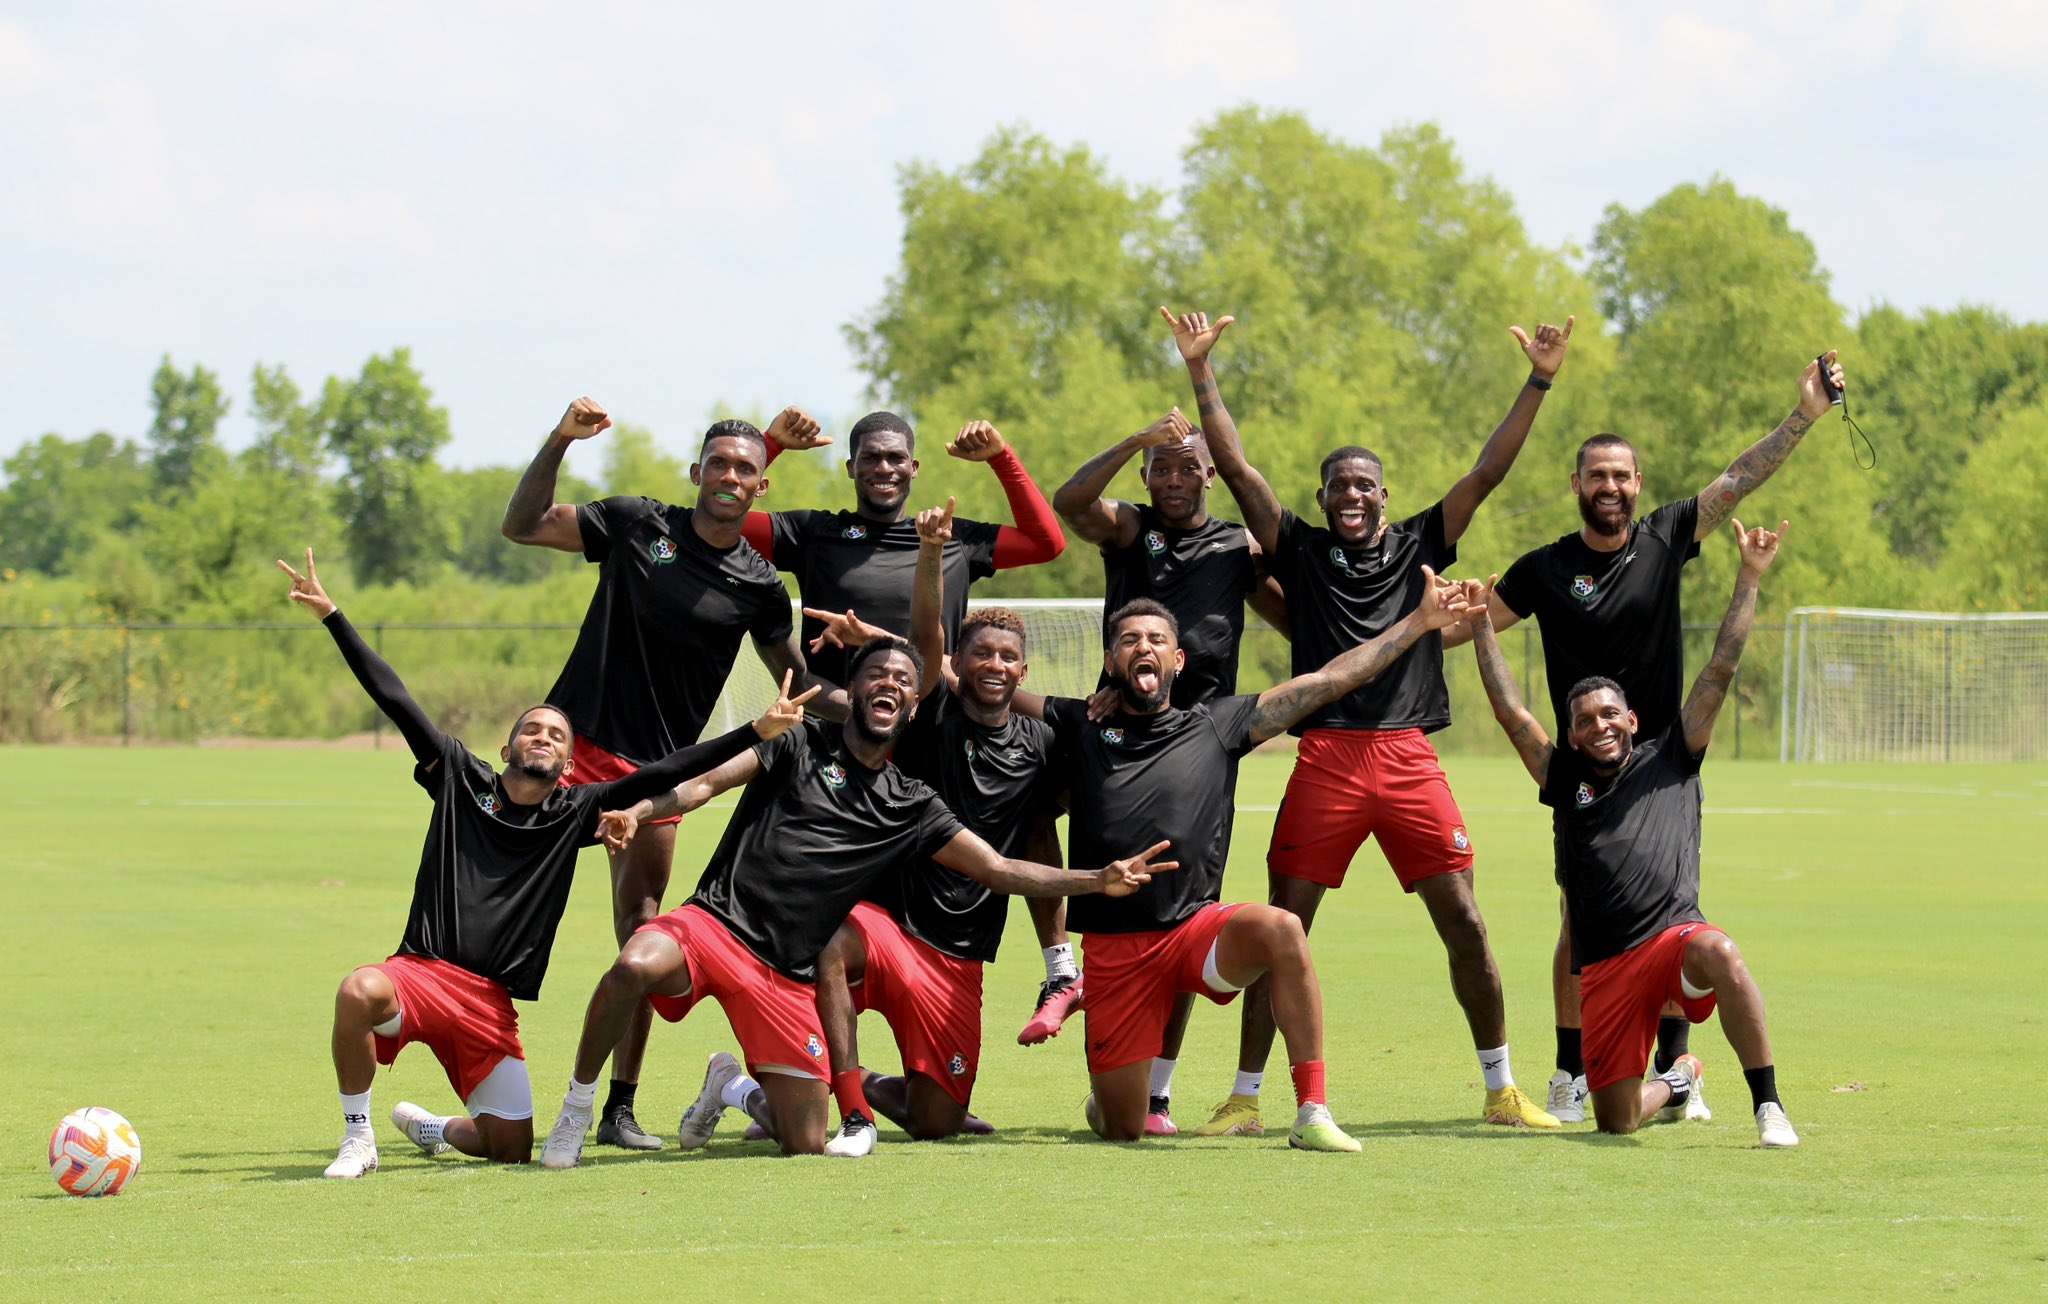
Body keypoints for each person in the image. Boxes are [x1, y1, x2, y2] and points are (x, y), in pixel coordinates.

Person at [1165, 305, 1572, 1137]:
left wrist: (1538, 379)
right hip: (1326, 762)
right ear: (1322, 498)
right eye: (1337, 486)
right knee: (1282, 927)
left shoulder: (1426, 540)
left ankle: (1501, 1088)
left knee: (1464, 919)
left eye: (1363, 486)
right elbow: (1238, 471)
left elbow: (1486, 473)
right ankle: (1245, 1097)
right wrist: (1201, 371)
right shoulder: (1302, 551)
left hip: (1409, 758)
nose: (1350, 496)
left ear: (1383, 496)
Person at [535, 636, 1175, 1165]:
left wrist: (1097, 879)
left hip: (784, 974)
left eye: (903, 679)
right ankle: (577, 1109)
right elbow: (702, 787)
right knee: (633, 965)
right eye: (877, 675)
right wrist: (641, 809)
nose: (890, 685)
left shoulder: (913, 804)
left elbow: (1001, 868)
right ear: (855, 690)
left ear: (914, 706)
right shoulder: (798, 744)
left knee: (806, 1141)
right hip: (715, 923)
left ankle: (731, 1084)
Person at [277, 548, 813, 1178]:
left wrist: (757, 730)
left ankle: (434, 1127)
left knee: (509, 1147)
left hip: (489, 1003)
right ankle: (357, 1137)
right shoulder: (457, 776)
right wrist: (334, 616)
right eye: (532, 729)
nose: (544, 737)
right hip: (420, 974)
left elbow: (666, 770)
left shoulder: (573, 812)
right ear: (507, 746)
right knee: (358, 988)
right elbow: (395, 697)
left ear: (567, 767)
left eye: (557, 737)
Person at [1481, 351, 1847, 1123]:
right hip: (1582, 775)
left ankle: (1675, 1067)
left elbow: (1736, 481)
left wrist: (1805, 416)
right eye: (1595, 476)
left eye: (1621, 475)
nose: (1609, 487)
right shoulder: (1545, 569)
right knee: (1578, 918)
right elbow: (1470, 626)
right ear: (1576, 486)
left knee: (1671, 910)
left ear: (1637, 485)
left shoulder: (1665, 536)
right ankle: (1570, 1073)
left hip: (1667, 762)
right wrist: (1419, 613)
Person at [1028, 573, 1474, 1151]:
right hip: (1116, 952)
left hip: (1194, 931)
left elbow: (1329, 679)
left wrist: (1418, 622)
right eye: (1130, 640)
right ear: (1111, 661)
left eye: (1157, 639)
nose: (1144, 647)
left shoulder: (1217, 724)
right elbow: (982, 685)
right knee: (1123, 1127)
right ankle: (1109, 1089)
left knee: (1282, 928)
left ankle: (1312, 1109)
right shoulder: (1079, 724)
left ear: (1178, 659)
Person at [500, 398, 842, 1150]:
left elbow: (799, 685)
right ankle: (484, 1073)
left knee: (641, 932)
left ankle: (618, 1107)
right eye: (717, 463)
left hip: (657, 777)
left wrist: (871, 672)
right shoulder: (635, 523)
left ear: (762, 487)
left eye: (745, 469)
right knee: (496, 891)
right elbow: (522, 525)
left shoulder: (758, 585)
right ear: (695, 473)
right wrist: (559, 437)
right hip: (570, 749)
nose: (728, 476)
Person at [1469, 520, 1800, 1146]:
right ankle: (1679, 1080)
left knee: (1722, 953)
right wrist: (1484, 623)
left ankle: (1770, 1106)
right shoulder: (1562, 776)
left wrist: (1749, 576)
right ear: (1571, 734)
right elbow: (1512, 714)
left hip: (1674, 943)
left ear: (1632, 718)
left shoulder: (1673, 755)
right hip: (1607, 968)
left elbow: (1722, 666)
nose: (1600, 726)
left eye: (1610, 715)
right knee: (1616, 1121)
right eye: (1586, 719)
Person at [1031, 407, 1293, 1069]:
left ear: (1210, 474)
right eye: (1160, 469)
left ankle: (1159, 1087)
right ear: (1146, 477)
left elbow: (1297, 621)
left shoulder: (1239, 550)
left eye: (1186, 467)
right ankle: (1062, 968)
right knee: (1031, 810)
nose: (1173, 479)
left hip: (1199, 745)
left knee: (1184, 908)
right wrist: (1133, 438)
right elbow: (1070, 501)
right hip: (1111, 725)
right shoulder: (1130, 530)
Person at [805, 498, 1063, 1153]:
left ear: (1023, 670)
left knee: (937, 1124)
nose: (995, 666)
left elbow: (1038, 840)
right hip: (890, 924)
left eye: (1008, 657)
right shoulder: (935, 713)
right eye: (982, 655)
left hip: (961, 951)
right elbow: (927, 636)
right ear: (957, 664)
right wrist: (929, 555)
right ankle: (827, 1094)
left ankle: (842, 1084)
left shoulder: (1039, 744)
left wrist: (1060, 956)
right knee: (828, 939)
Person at [740, 412, 1065, 687]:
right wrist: (770, 443)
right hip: (835, 731)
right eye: (870, 458)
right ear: (851, 467)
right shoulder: (812, 533)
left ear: (914, 467)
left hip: (930, 734)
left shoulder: (948, 536)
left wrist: (1001, 456)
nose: (884, 468)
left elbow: (1046, 544)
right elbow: (716, 523)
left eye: (896, 458)